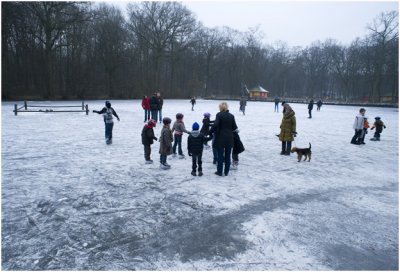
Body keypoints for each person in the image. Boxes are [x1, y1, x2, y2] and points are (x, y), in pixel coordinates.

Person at [209, 102, 238, 176]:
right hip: (229, 138)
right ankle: (226, 172)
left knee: (220, 155)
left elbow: (215, 124)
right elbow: (234, 127)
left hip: (220, 138)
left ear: (220, 108)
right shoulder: (231, 116)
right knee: (228, 155)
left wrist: (210, 132)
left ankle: (219, 171)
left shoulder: (219, 115)